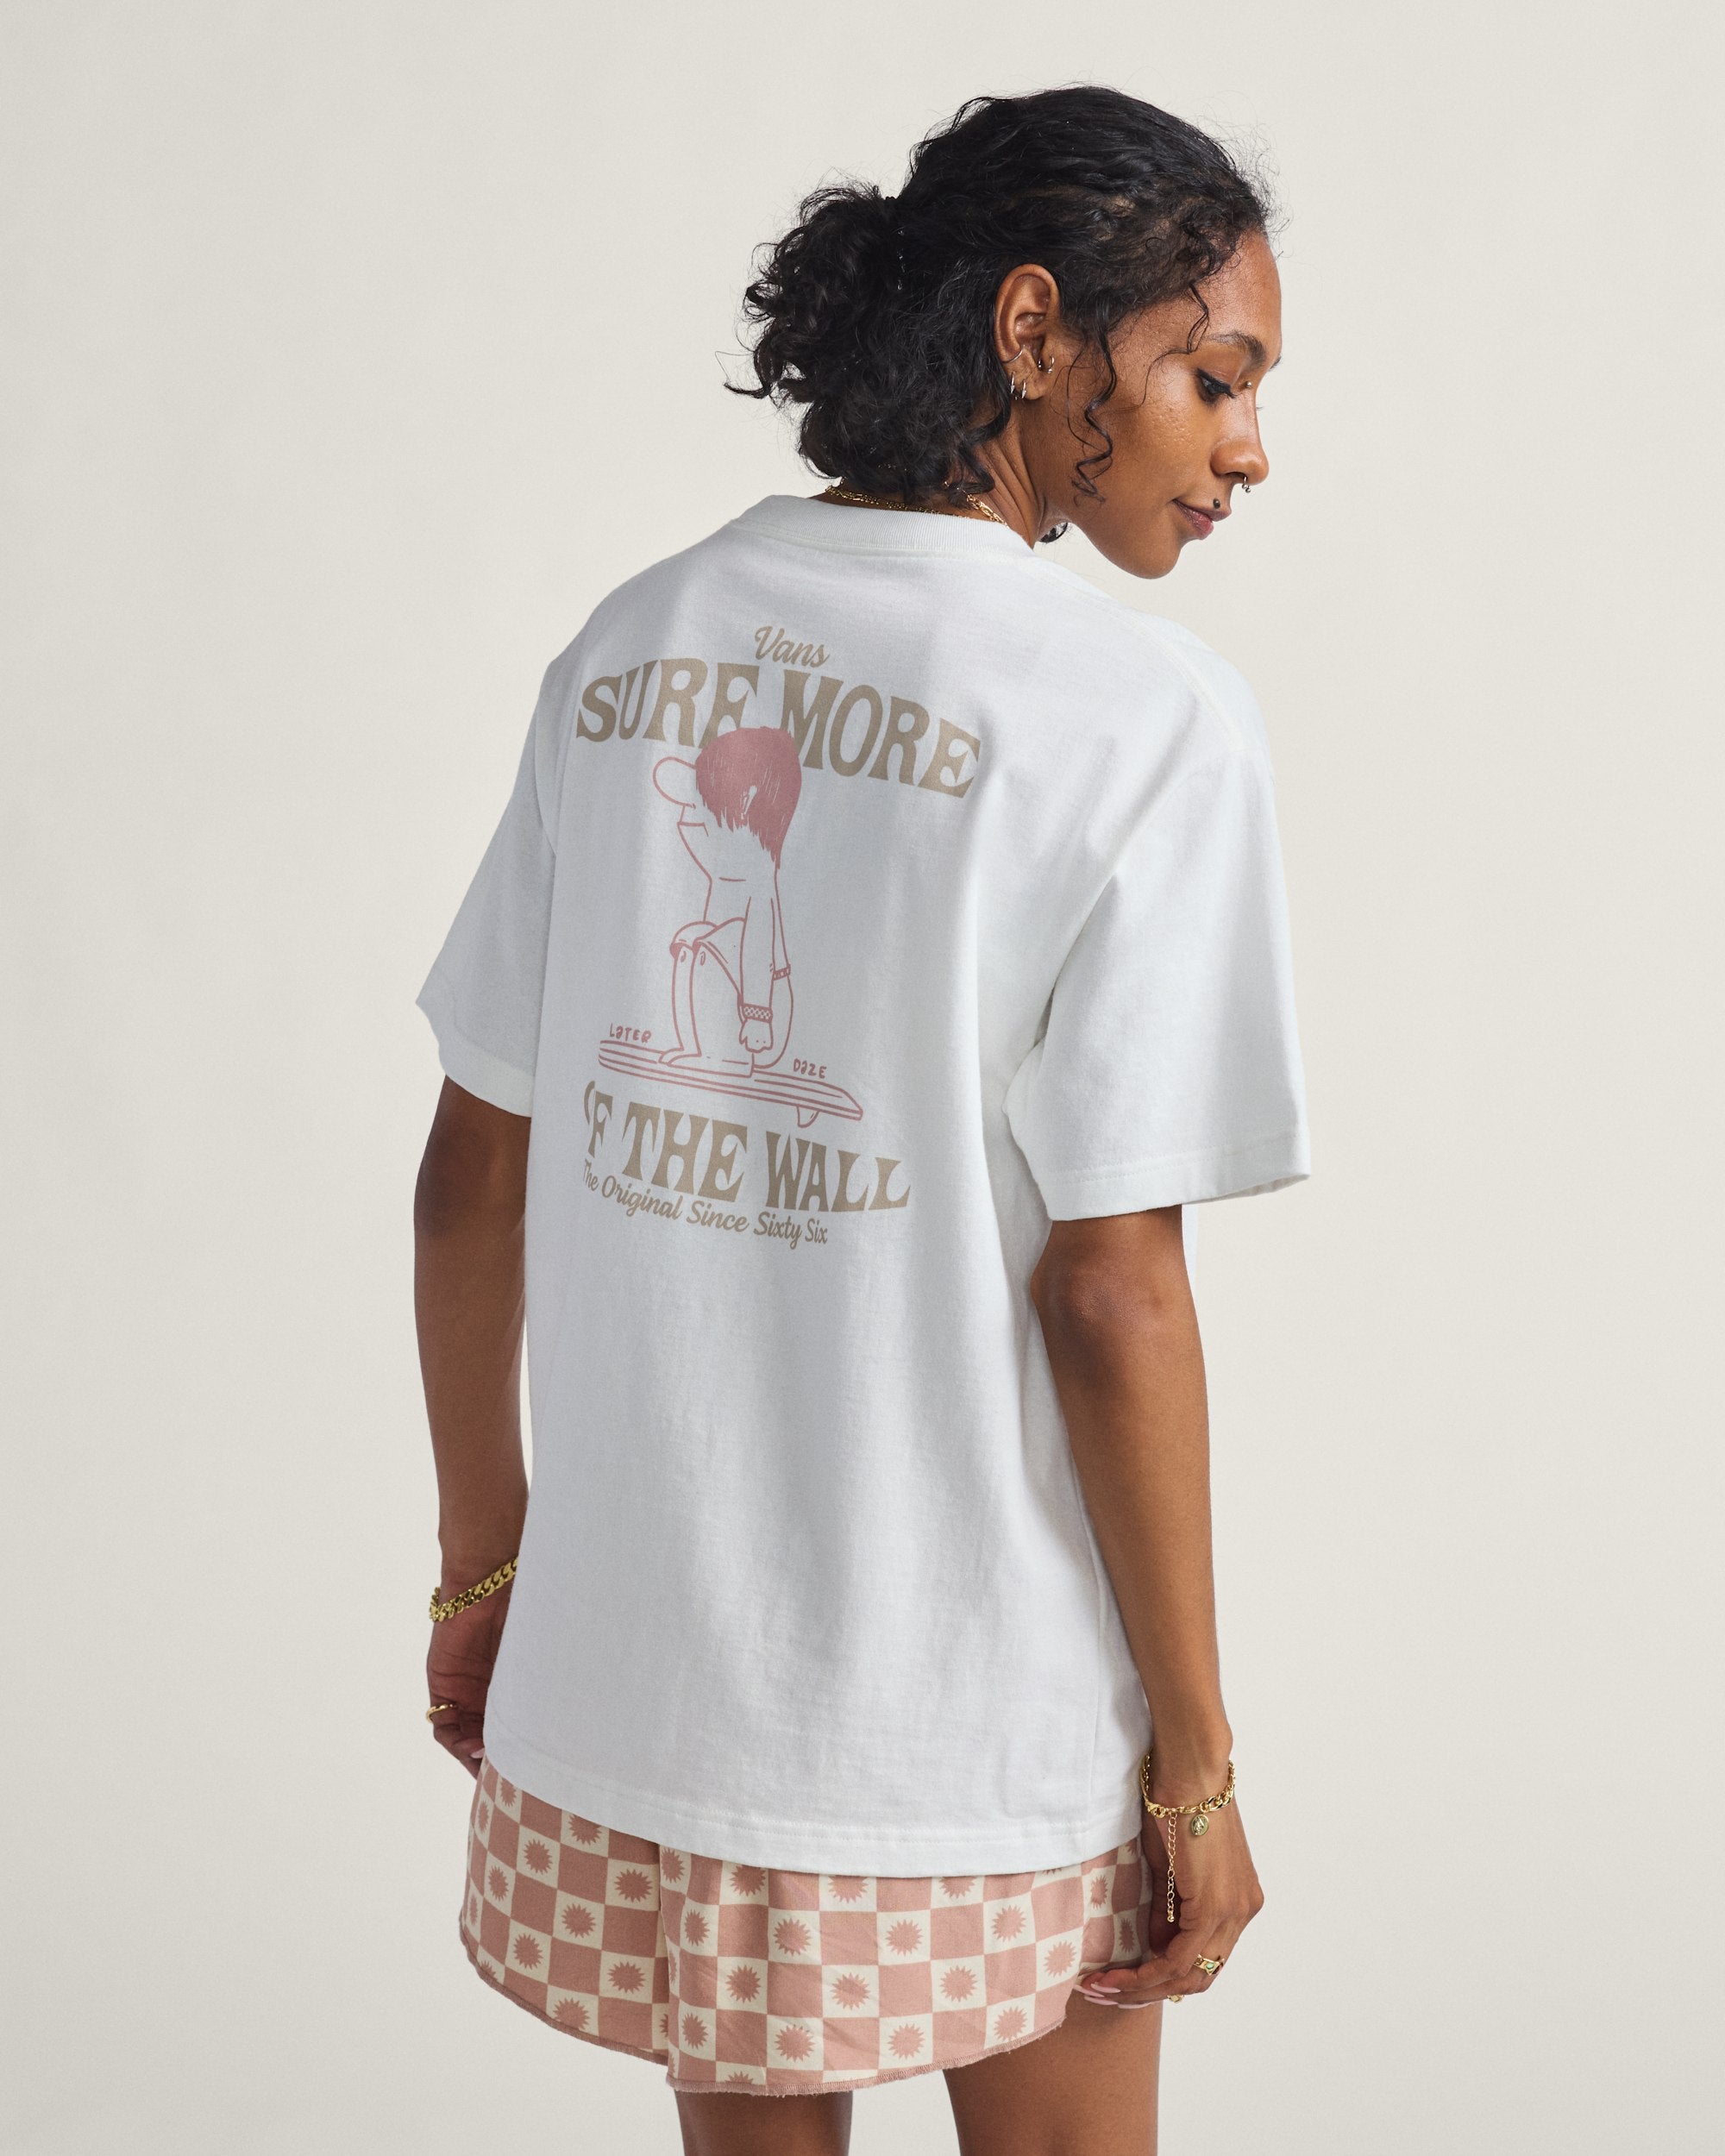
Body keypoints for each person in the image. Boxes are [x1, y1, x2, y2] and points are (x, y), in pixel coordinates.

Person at [413, 83, 1308, 2156]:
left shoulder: (639, 641)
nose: (1249, 445)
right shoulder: (1139, 720)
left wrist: (484, 1568)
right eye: (1215, 375)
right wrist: (1192, 1760)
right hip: (971, 1722)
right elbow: (1111, 1293)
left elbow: (474, 1171)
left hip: (662, 1694)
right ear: (1034, 330)